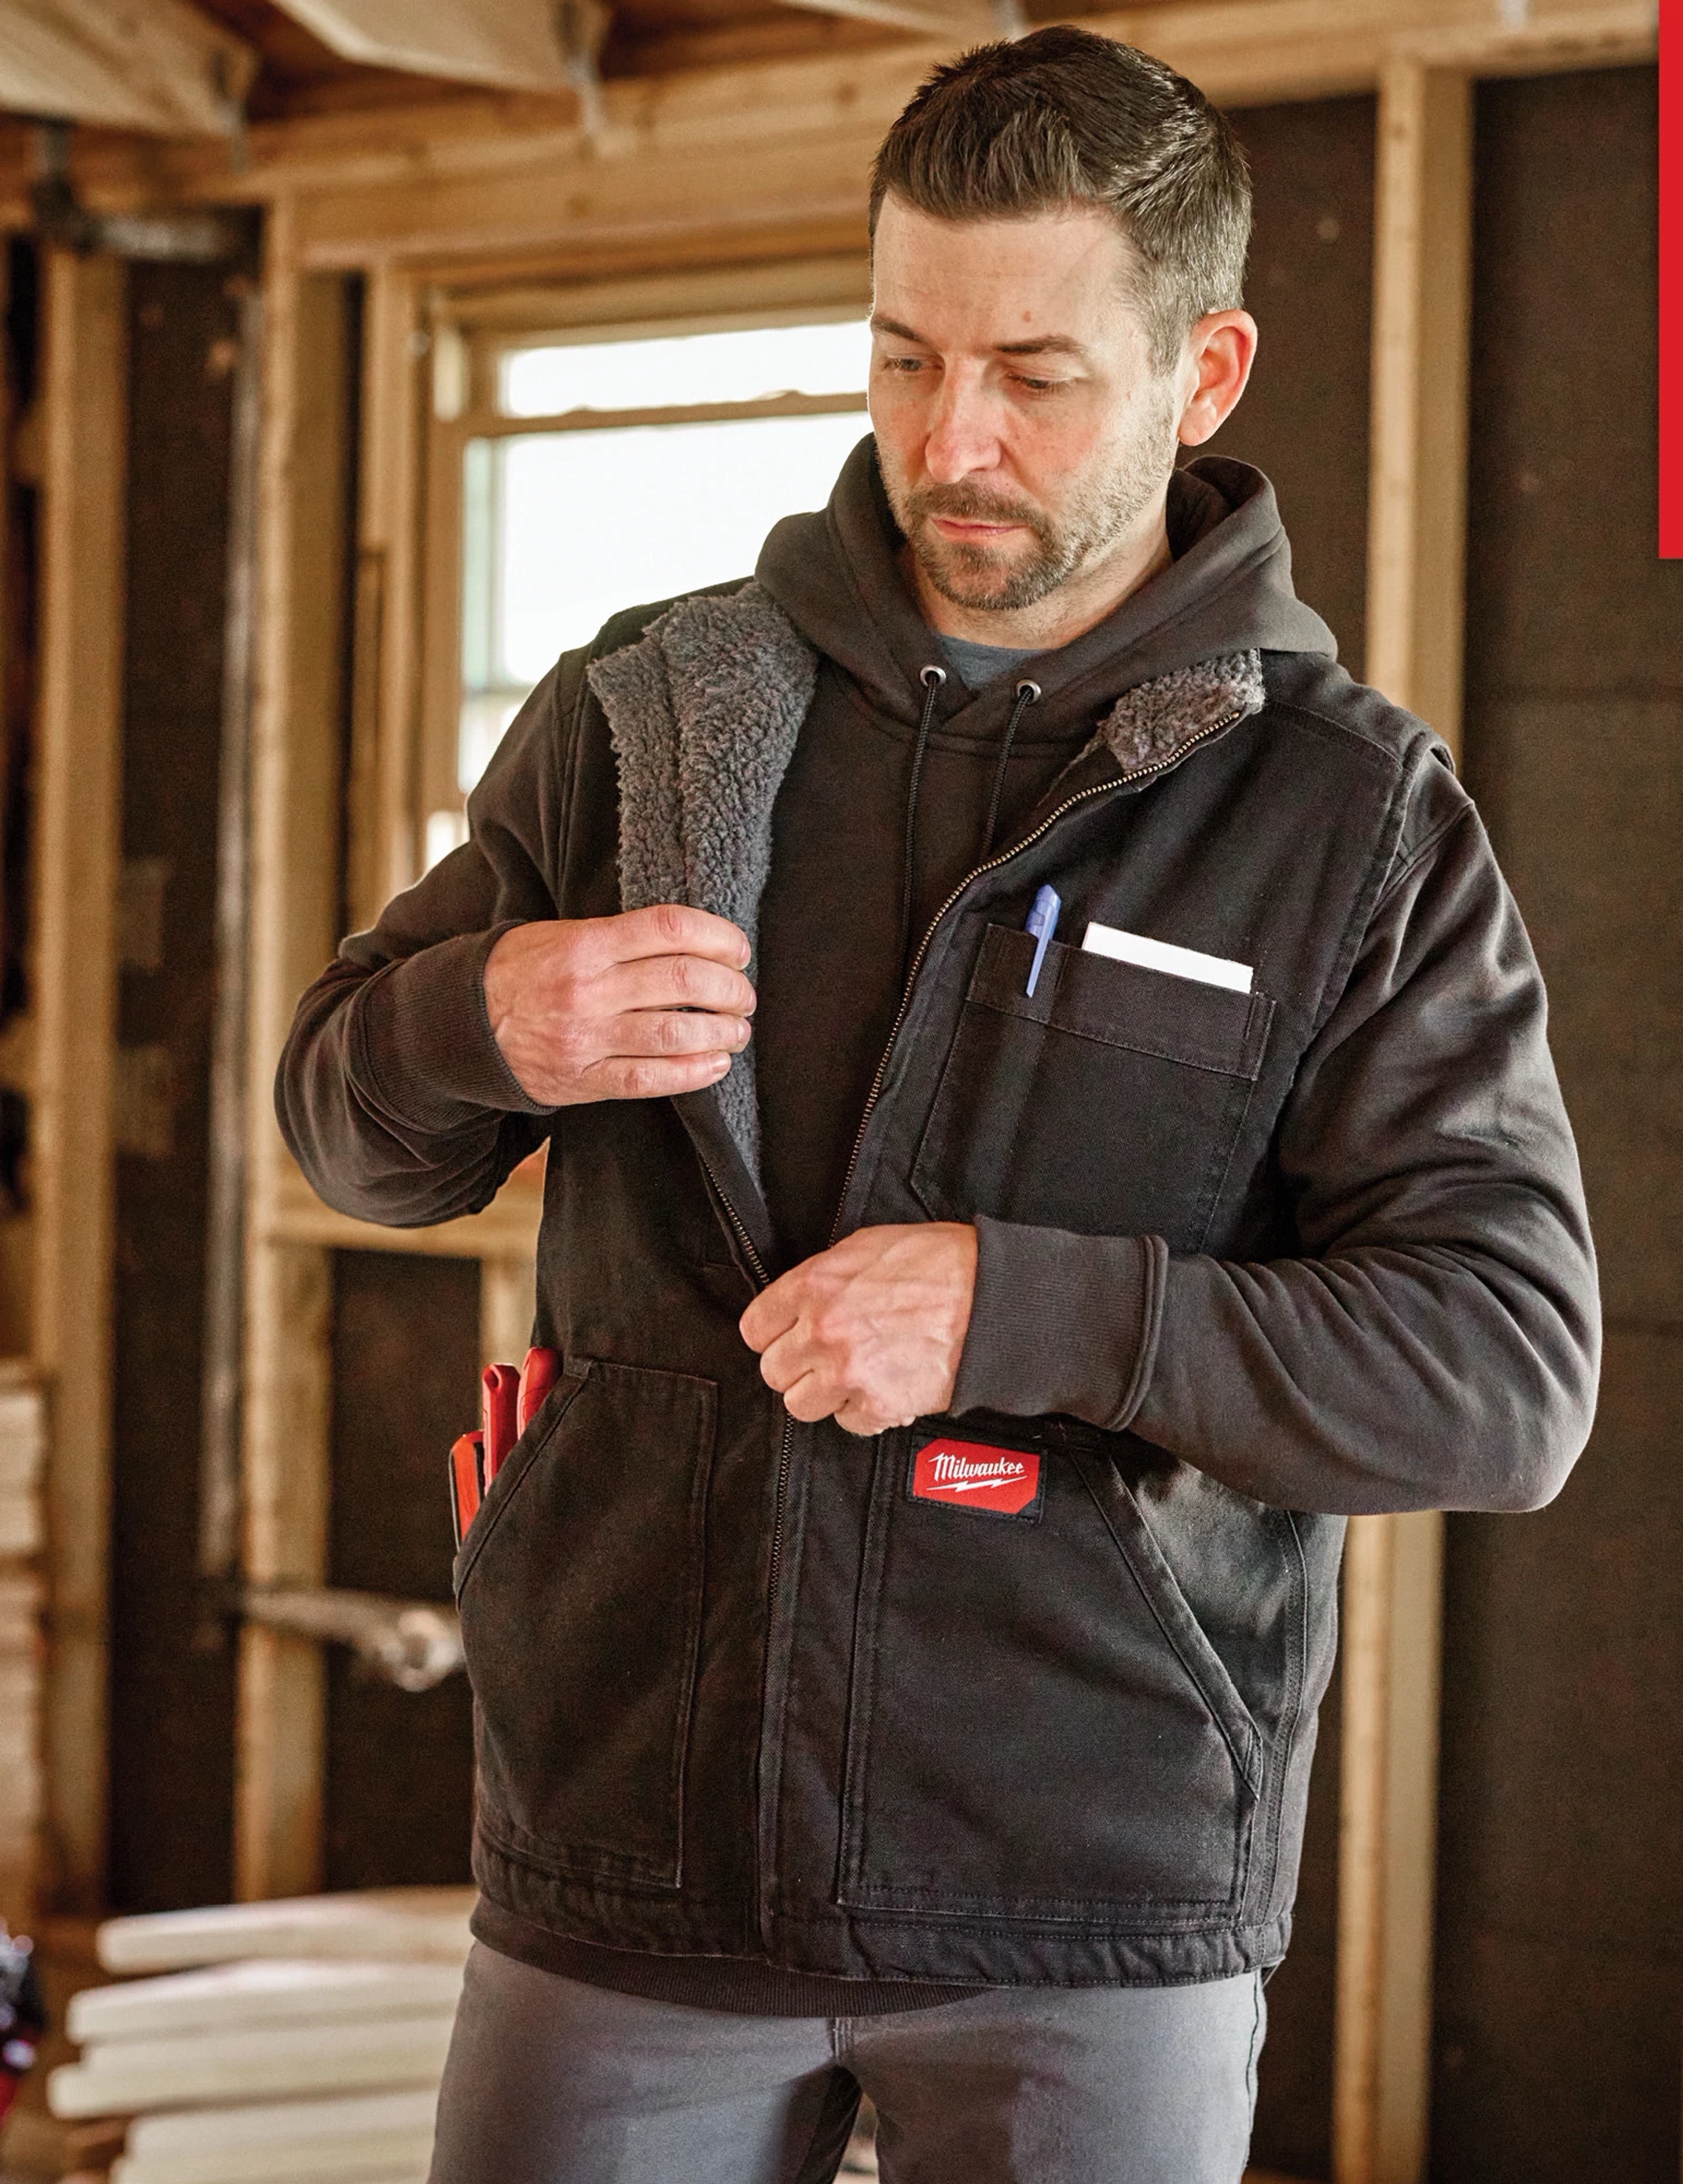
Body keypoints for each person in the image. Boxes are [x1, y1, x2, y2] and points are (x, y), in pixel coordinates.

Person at [279, 25, 1599, 2183]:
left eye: (1034, 373)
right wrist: (485, 1016)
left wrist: (1028, 1308)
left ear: (1205, 371)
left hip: (1083, 1901)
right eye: (901, 358)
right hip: (632, 1838)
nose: (948, 438)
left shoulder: (1344, 820)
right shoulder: (644, 712)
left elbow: (1504, 1375)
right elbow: (344, 1125)